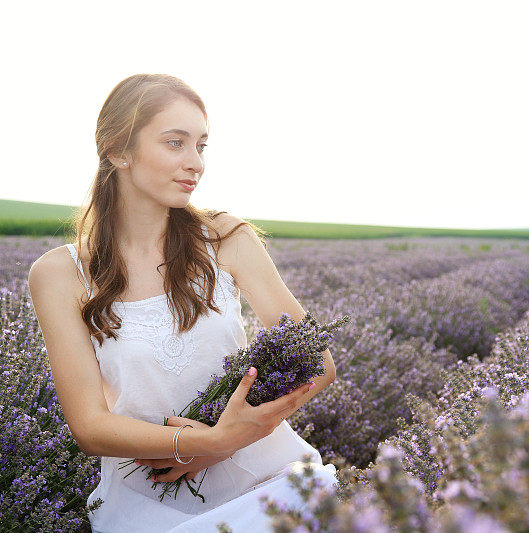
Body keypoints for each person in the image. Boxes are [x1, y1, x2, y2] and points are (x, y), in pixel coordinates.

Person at [27, 74, 339, 532]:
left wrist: (224, 442)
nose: (195, 162)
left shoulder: (228, 238)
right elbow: (89, 427)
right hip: (146, 504)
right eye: (175, 143)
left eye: (201, 145)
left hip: (268, 483)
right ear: (118, 151)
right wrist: (199, 444)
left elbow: (319, 363)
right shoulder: (59, 274)